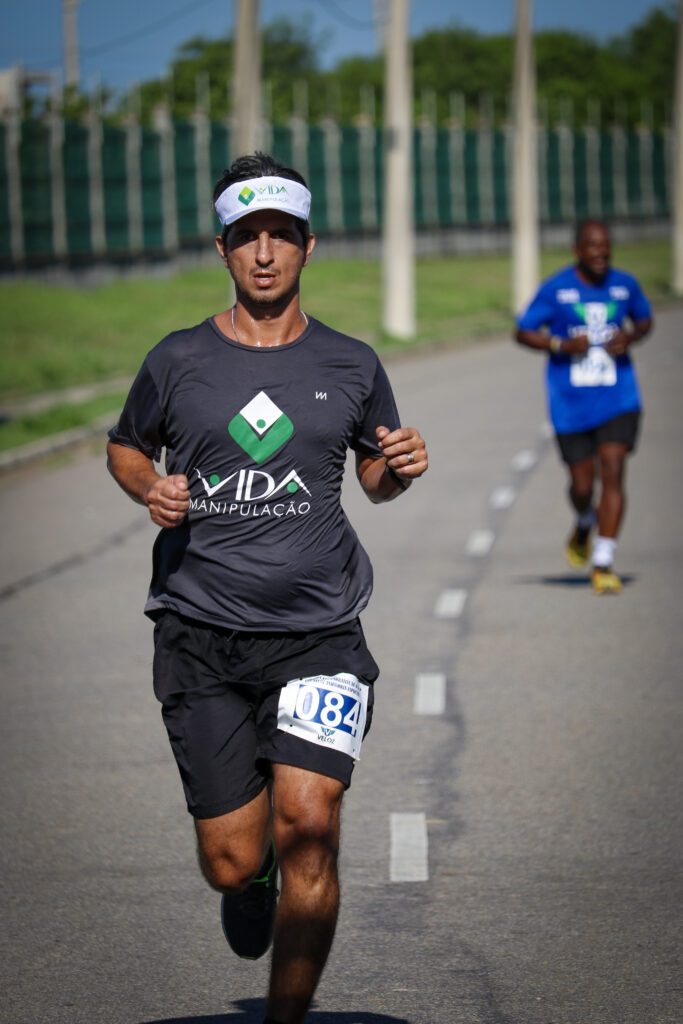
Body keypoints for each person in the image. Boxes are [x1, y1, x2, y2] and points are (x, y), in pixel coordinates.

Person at [106, 151, 428, 1024]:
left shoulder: (351, 362)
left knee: (312, 829)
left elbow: (374, 477)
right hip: (201, 635)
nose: (262, 253)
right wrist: (150, 487)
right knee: (230, 858)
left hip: (319, 632)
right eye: (245, 236)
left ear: (307, 246)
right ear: (221, 249)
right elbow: (127, 445)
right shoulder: (177, 360)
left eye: (280, 235)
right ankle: (251, 881)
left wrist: (398, 466)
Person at [515, 219, 652, 594]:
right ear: (578, 250)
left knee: (614, 470)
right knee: (581, 485)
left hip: (618, 397)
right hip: (570, 405)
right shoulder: (556, 289)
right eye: (593, 246)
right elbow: (523, 330)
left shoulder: (625, 285)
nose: (601, 253)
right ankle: (584, 520)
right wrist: (559, 345)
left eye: (605, 246)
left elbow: (644, 321)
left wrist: (630, 337)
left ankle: (603, 561)